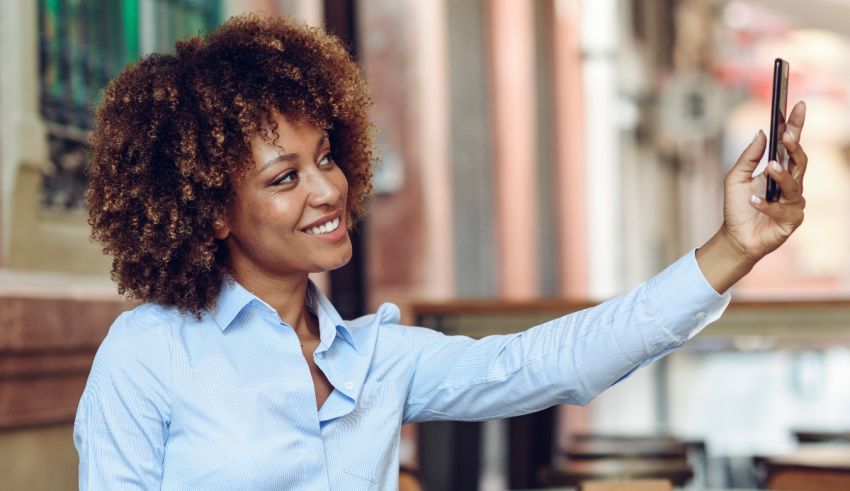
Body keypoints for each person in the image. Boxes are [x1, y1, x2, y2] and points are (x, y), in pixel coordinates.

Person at [74, 13, 808, 491]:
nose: (327, 189)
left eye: (325, 157)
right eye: (284, 177)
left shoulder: (377, 359)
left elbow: (550, 363)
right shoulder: (149, 356)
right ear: (209, 214)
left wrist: (731, 250)